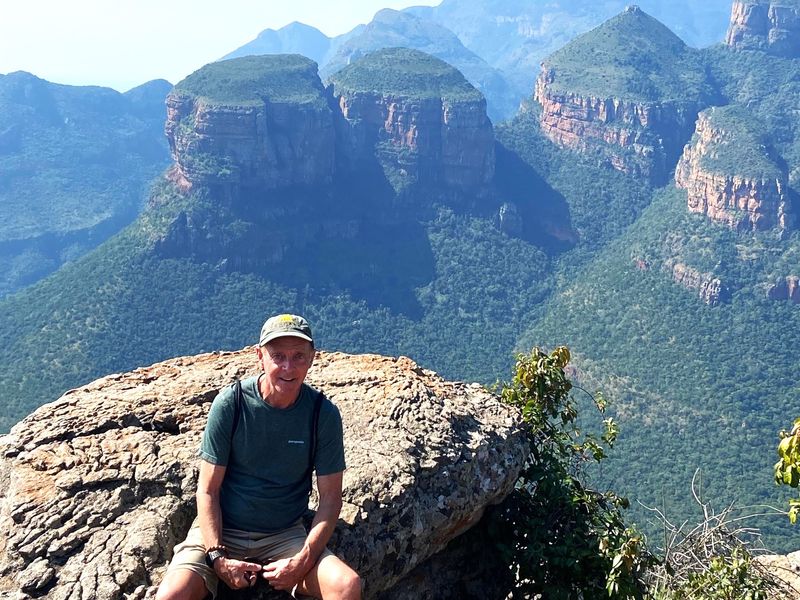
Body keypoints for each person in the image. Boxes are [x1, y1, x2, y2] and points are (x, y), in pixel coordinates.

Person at [157, 314, 361, 600]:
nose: (288, 367)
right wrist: (217, 557)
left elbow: (330, 499)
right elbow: (207, 489)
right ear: (259, 356)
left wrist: (303, 559)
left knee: (346, 586)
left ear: (312, 358)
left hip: (284, 533)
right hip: (222, 527)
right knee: (171, 596)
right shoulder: (233, 403)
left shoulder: (321, 414)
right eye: (278, 356)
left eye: (298, 356)